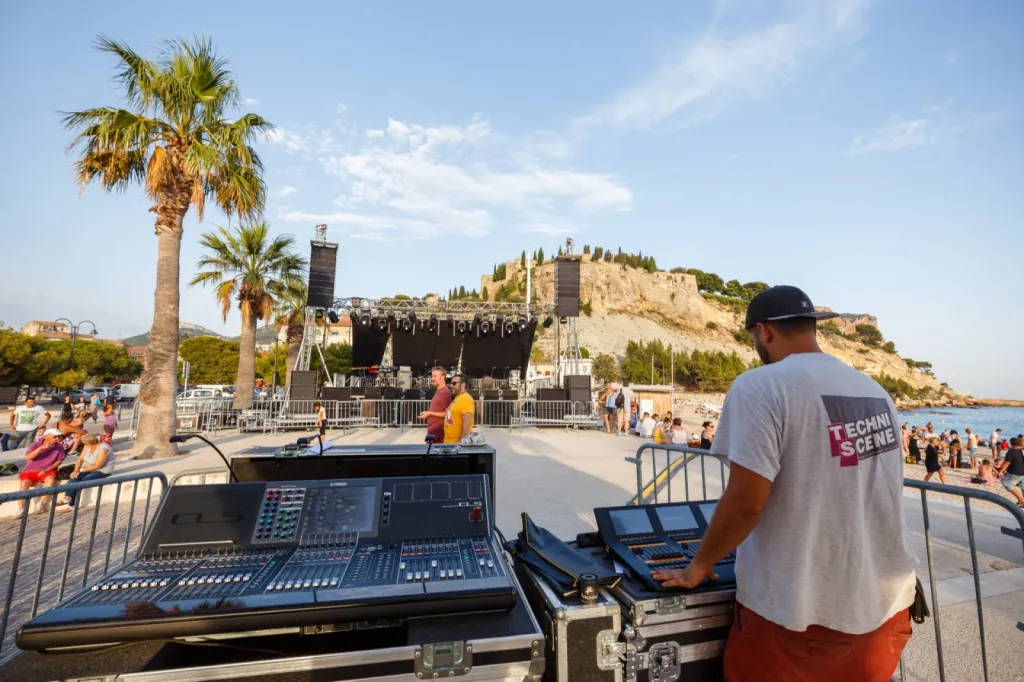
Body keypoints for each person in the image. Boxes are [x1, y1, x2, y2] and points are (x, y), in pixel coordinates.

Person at [652, 285, 916, 681]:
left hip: (802, 615)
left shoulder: (761, 385)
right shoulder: (873, 390)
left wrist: (699, 565)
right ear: (811, 327)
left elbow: (747, 501)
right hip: (886, 606)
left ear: (763, 332)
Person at [57, 434, 115, 510]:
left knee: (83, 480)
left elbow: (97, 466)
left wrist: (81, 470)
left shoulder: (104, 449)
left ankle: (71, 504)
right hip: (88, 468)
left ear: (89, 443)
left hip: (102, 470)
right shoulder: (87, 446)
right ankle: (67, 498)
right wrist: (76, 470)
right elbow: (80, 459)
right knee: (75, 477)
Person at [18, 428, 67, 515]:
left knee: (51, 481)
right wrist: (40, 448)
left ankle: (40, 504)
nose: (57, 439)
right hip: (31, 469)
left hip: (48, 469)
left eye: (58, 437)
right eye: (55, 437)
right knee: (24, 484)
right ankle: (21, 509)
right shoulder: (35, 445)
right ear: (46, 436)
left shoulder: (59, 446)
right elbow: (28, 457)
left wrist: (47, 469)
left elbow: (59, 461)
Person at [418, 367, 452, 443]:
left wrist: (429, 413)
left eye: (435, 376)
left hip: (438, 433)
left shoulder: (445, 393)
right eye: (432, 376)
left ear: (443, 377)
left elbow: (447, 414)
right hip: (433, 431)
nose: (432, 378)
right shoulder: (439, 390)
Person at [444, 374, 475, 444]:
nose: (451, 386)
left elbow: (466, 426)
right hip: (449, 443)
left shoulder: (466, 399)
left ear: (463, 385)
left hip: (456, 446)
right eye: (450, 383)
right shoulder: (458, 398)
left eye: (454, 383)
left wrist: (460, 445)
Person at [995, 437, 1024, 507]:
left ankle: (1021, 499)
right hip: (1022, 472)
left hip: (1014, 472)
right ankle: (1022, 502)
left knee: (1006, 482)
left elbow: (1007, 463)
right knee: (1022, 486)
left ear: (1011, 444)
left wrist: (1001, 470)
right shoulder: (1022, 451)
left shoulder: (1011, 451)